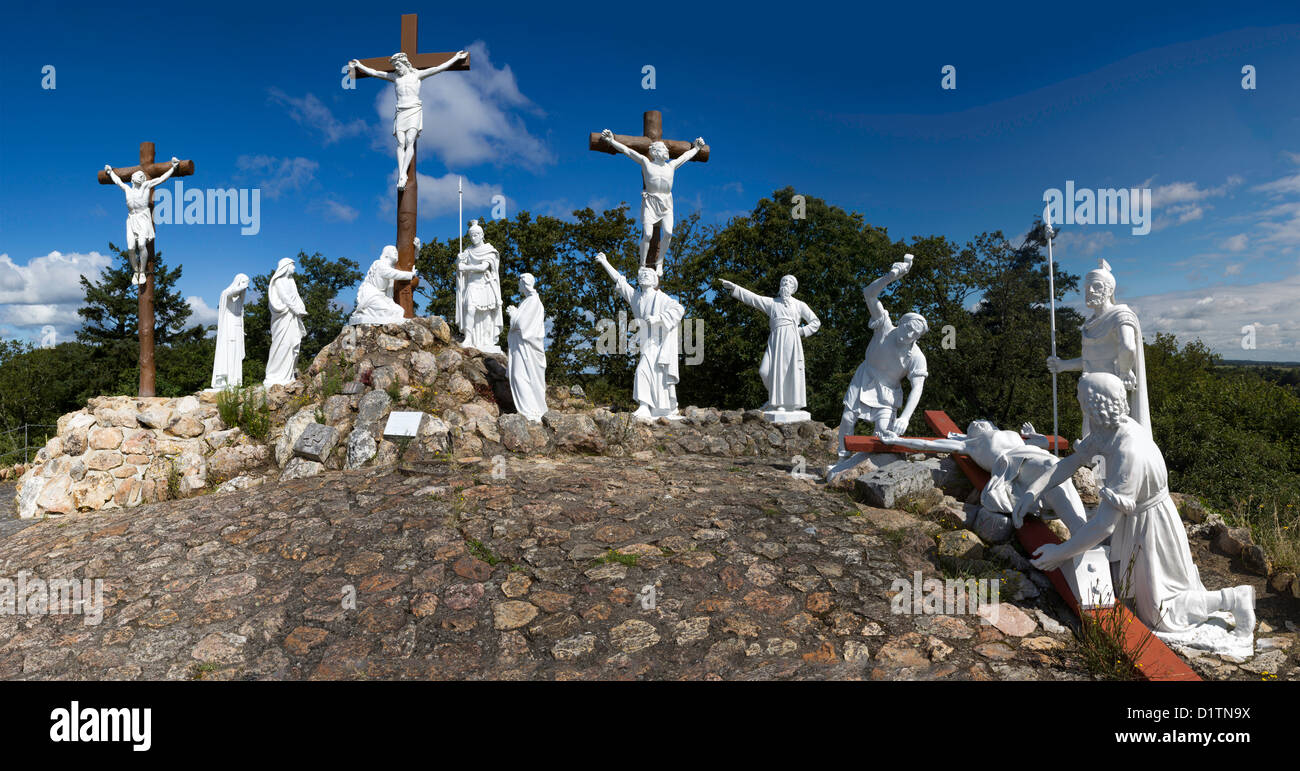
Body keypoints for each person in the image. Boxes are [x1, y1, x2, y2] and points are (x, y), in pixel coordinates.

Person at [1013, 372, 1255, 655]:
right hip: (1134, 520)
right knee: (1123, 587)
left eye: (1081, 400)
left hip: (1152, 526)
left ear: (1094, 406)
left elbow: (1104, 525)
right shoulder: (1108, 429)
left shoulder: (1129, 450)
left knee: (1159, 613)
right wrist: (1033, 491)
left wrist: (1060, 553)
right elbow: (1070, 463)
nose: (1078, 404)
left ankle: (1234, 598)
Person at [880, 420, 1087, 532]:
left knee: (1055, 473)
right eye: (971, 426)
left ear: (991, 425)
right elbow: (929, 444)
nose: (976, 423)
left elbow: (1043, 443)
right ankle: (1081, 532)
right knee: (1052, 469)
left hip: (1031, 454)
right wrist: (897, 440)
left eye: (980, 421)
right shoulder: (969, 444)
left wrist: (1032, 435)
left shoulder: (1011, 433)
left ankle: (1081, 531)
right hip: (1013, 464)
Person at [836, 254, 929, 459]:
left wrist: (905, 417)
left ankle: (870, 467)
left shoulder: (916, 356)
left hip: (888, 392)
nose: (911, 334)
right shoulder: (885, 326)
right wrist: (890, 277)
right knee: (848, 417)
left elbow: (918, 387)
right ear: (902, 323)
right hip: (865, 377)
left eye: (917, 333)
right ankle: (841, 459)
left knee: (883, 433)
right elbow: (869, 294)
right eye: (910, 328)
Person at [350, 49, 469, 190]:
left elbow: (439, 68)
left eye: (398, 66)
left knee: (409, 140)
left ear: (405, 63)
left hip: (413, 109)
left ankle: (403, 175)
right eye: (395, 67)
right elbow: (375, 73)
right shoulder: (395, 78)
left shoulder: (417, 75)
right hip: (400, 110)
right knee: (400, 143)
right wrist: (360, 65)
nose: (397, 69)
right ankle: (401, 173)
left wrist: (455, 58)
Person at [600, 129, 706, 275]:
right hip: (650, 202)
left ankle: (660, 262)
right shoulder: (646, 163)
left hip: (667, 203)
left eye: (666, 149)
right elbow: (628, 151)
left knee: (668, 233)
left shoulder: (671, 165)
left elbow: (685, 156)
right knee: (648, 234)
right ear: (655, 152)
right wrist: (611, 140)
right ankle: (642, 263)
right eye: (663, 149)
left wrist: (697, 148)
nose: (666, 151)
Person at [595, 252, 684, 420]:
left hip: (659, 342)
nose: (643, 276)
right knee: (645, 372)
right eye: (641, 275)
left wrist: (657, 319)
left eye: (647, 274)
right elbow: (620, 281)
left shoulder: (662, 298)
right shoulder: (636, 298)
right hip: (646, 342)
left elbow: (679, 309)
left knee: (647, 372)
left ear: (654, 280)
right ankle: (647, 407)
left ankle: (648, 406)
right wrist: (605, 262)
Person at [718, 275, 820, 417]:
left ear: (793, 288)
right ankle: (775, 398)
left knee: (787, 371)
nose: (785, 283)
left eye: (789, 282)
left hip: (791, 339)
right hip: (775, 339)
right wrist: (735, 287)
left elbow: (815, 322)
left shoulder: (799, 304)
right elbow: (753, 298)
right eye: (783, 281)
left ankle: (782, 404)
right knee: (764, 371)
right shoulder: (772, 303)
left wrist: (800, 331)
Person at [103, 156, 180, 285]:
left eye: (141, 176)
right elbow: (118, 181)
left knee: (141, 245)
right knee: (131, 247)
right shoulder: (127, 189)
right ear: (133, 178)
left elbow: (161, 179)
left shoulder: (145, 186)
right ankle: (136, 271)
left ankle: (142, 271)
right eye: (138, 175)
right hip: (131, 219)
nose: (140, 177)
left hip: (143, 218)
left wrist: (173, 168)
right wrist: (110, 172)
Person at [455, 220, 503, 352]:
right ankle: (469, 338)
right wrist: (459, 261)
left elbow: (483, 267)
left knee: (486, 314)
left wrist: (465, 267)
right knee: (470, 309)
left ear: (482, 235)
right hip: (472, 285)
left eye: (476, 235)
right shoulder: (468, 251)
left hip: (485, 285)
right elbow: (460, 269)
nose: (473, 238)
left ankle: (486, 340)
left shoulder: (490, 250)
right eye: (471, 235)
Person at [506, 273, 548, 422]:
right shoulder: (527, 301)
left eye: (519, 282)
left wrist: (513, 314)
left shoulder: (533, 302)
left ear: (525, 283)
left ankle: (531, 411)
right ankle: (528, 410)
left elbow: (522, 325)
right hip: (521, 347)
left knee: (522, 377)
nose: (518, 285)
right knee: (520, 377)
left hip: (527, 348)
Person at [264, 258, 308, 387]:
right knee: (281, 344)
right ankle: (274, 374)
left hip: (292, 316)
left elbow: (296, 296)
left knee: (291, 343)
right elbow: (285, 298)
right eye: (292, 266)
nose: (294, 268)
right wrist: (296, 310)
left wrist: (302, 308)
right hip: (283, 317)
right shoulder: (279, 281)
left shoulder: (291, 281)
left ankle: (287, 375)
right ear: (286, 266)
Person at [351, 243, 418, 325]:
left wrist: (416, 250)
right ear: (386, 254)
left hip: (383, 296)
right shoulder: (380, 264)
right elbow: (394, 273)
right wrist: (411, 274)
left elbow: (407, 261)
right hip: (372, 295)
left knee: (399, 311)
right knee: (387, 311)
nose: (396, 252)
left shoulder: (390, 267)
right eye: (393, 250)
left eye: (396, 251)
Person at [211, 274, 249, 389]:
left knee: (236, 355)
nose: (245, 287)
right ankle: (226, 380)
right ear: (238, 283)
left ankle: (234, 380)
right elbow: (229, 293)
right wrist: (241, 286)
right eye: (244, 283)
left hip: (237, 329)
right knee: (229, 353)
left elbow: (239, 312)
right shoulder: (225, 294)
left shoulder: (239, 300)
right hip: (229, 329)